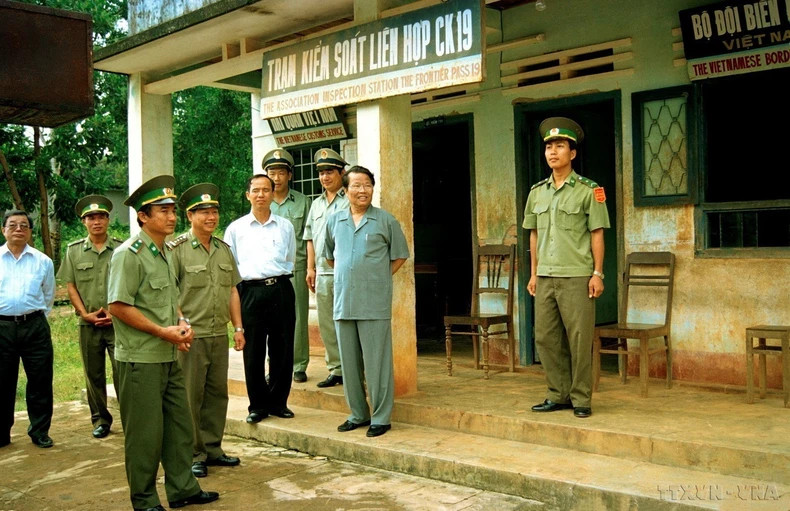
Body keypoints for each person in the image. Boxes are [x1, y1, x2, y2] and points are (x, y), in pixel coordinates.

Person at [108, 176, 218, 510]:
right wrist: (162, 332)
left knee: (179, 427)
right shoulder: (129, 254)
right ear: (143, 216)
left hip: (168, 355)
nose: (171, 216)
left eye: (173, 210)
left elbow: (169, 299)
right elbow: (118, 306)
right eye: (163, 210)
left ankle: (183, 488)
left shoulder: (165, 251)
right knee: (144, 435)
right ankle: (143, 499)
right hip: (140, 359)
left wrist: (181, 323)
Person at [522, 117, 610, 419]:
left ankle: (581, 397)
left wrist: (597, 273)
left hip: (577, 276)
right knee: (545, 338)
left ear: (572, 153)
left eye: (560, 146)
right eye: (549, 146)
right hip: (545, 276)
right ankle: (557, 394)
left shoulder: (589, 190)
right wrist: (533, 273)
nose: (552, 152)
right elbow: (533, 234)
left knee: (579, 339)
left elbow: (597, 232)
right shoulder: (537, 192)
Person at [324, 166, 409, 438]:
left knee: (377, 362)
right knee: (349, 364)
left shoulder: (386, 221)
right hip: (344, 301)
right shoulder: (334, 221)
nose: (362, 190)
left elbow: (399, 256)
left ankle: (381, 417)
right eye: (356, 185)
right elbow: (330, 257)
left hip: (374, 302)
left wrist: (374, 278)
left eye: (367, 185)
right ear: (345, 190)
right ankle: (358, 414)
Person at [169, 183, 244, 479]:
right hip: (191, 336)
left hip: (217, 334)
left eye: (214, 212)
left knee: (217, 394)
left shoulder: (224, 250)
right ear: (190, 215)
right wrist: (180, 324)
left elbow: (233, 292)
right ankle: (193, 453)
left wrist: (237, 327)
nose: (211, 217)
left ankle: (213, 448)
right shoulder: (177, 250)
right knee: (190, 396)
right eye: (204, 213)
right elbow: (169, 294)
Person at [224, 173, 296, 423]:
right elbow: (230, 266)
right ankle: (257, 405)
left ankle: (278, 402)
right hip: (250, 291)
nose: (261, 195)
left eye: (266, 190)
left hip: (281, 289)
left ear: (272, 194)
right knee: (253, 349)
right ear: (248, 195)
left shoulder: (285, 226)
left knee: (283, 348)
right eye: (256, 190)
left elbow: (290, 258)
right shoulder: (235, 228)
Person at [57, 195, 121, 439]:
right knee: (93, 374)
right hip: (88, 323)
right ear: (84, 222)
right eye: (91, 218)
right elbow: (71, 285)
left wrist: (116, 313)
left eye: (101, 217)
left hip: (117, 323)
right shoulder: (74, 251)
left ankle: (131, 416)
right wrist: (85, 314)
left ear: (108, 220)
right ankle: (101, 419)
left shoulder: (120, 248)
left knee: (122, 370)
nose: (97, 222)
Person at [0, 210, 55, 449]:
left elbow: (48, 296)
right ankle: (1, 433)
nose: (18, 229)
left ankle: (40, 431)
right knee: (2, 382)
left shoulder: (43, 261)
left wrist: (33, 317)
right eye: (13, 225)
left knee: (40, 381)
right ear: (4, 230)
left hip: (34, 326)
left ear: (30, 231)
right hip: (1, 328)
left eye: (24, 225)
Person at [264, 148, 311, 383]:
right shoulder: (262, 202)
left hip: (297, 268)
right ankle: (274, 364)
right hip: (269, 270)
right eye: (272, 172)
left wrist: (310, 267)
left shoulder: (303, 202)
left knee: (298, 317)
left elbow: (309, 237)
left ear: (289, 175)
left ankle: (299, 364)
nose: (276, 177)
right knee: (272, 318)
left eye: (281, 172)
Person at [304, 148, 349, 388]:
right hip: (322, 273)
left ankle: (353, 369)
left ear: (341, 172)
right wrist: (310, 269)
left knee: (347, 322)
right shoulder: (316, 204)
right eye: (321, 173)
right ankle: (336, 369)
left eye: (329, 171)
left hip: (345, 273)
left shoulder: (350, 199)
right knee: (327, 324)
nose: (325, 177)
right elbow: (310, 237)